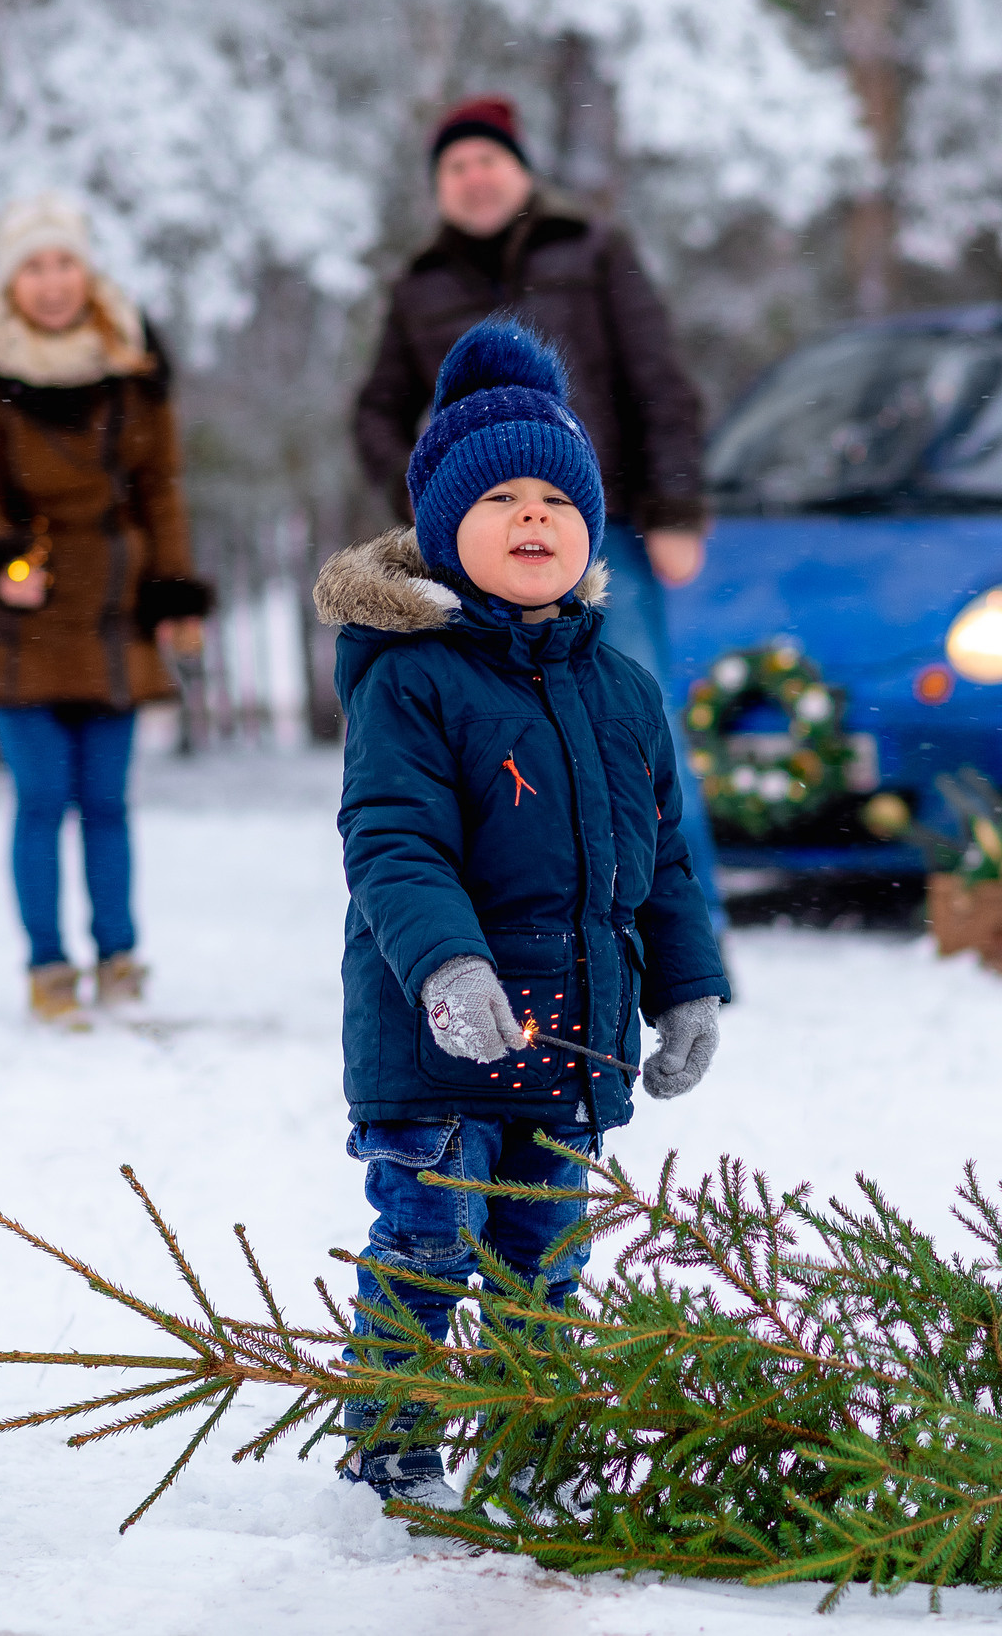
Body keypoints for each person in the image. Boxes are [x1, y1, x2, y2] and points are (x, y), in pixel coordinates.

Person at [315, 318, 729, 1508]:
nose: (534, 515)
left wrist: (687, 988)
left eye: (556, 494)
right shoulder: (412, 681)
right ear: (448, 533)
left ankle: (540, 1442)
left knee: (544, 1266)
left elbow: (664, 868)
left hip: (571, 1046)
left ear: (589, 526)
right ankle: (392, 1443)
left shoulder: (623, 690)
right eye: (500, 497)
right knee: (429, 1244)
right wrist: (448, 970)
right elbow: (391, 846)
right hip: (437, 1043)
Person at [352, 95, 726, 927]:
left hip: (604, 539)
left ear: (521, 169)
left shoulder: (591, 250)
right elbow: (376, 413)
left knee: (639, 723)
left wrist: (675, 508)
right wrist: (426, 506)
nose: (474, 178)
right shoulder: (420, 287)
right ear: (438, 187)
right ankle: (516, 927)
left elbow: (659, 382)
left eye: (487, 160)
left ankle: (684, 931)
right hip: (478, 560)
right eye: (455, 167)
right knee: (495, 736)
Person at [0, 192, 212, 1024]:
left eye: (65, 263)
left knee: (107, 798)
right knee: (42, 795)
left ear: (86, 271)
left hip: (115, 613)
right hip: (23, 617)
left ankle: (121, 957)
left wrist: (174, 591)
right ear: (11, 280)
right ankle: (49, 968)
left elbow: (159, 490)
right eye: (34, 266)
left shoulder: (131, 363)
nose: (52, 282)